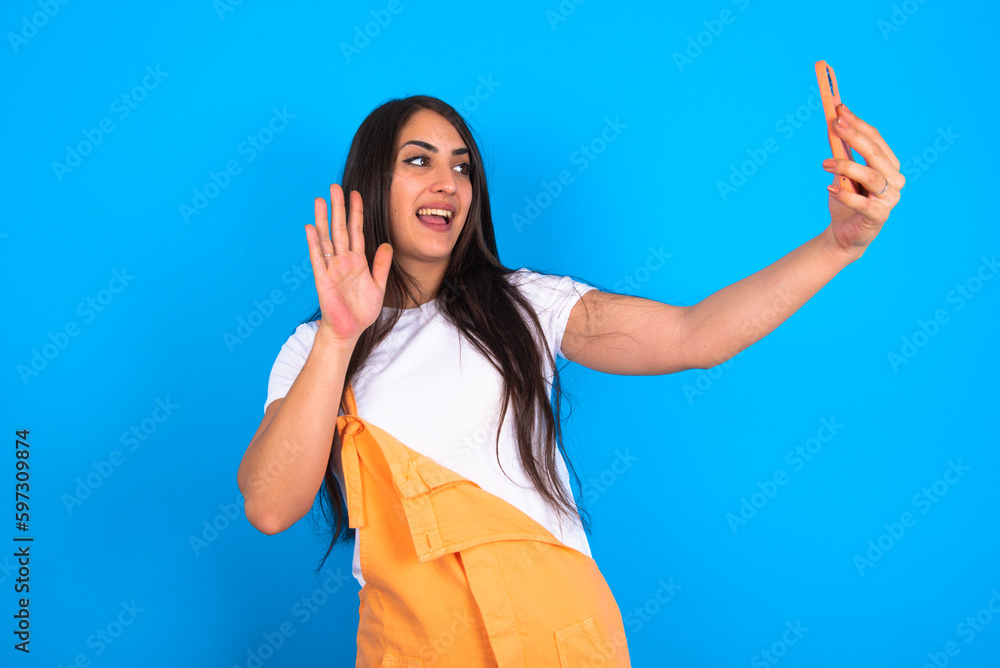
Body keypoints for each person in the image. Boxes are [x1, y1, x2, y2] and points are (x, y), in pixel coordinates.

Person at [236, 94, 903, 665]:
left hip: (558, 633)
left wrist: (837, 244)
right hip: (412, 646)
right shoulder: (314, 349)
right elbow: (270, 505)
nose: (449, 182)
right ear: (371, 181)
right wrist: (339, 335)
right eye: (419, 159)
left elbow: (694, 336)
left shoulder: (526, 304)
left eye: (462, 166)